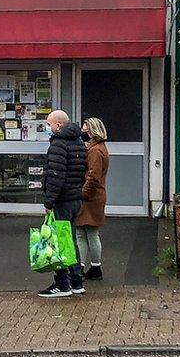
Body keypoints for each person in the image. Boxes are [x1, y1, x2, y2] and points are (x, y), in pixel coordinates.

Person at [38, 110, 88, 298]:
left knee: (58, 241)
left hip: (62, 201)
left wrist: (49, 201)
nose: (47, 128)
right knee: (70, 241)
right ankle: (77, 281)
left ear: (58, 125)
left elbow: (55, 176)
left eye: (49, 124)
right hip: (75, 198)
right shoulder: (79, 143)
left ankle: (62, 283)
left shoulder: (58, 145)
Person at [77, 117, 109, 281]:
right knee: (88, 232)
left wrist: (83, 193)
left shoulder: (95, 151)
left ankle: (82, 268)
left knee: (85, 233)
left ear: (91, 131)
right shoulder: (100, 148)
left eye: (84, 130)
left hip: (91, 197)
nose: (82, 132)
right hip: (96, 195)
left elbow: (93, 176)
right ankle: (93, 267)